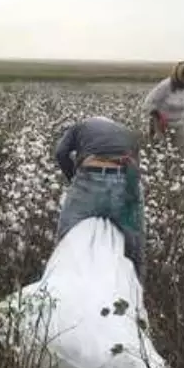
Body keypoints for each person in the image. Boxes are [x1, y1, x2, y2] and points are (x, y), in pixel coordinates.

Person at [54, 116, 145, 278]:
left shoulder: (81, 126)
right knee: (134, 245)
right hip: (123, 181)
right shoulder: (127, 133)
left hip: (90, 178)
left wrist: (73, 178)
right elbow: (135, 169)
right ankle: (137, 288)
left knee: (65, 236)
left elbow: (60, 152)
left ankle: (55, 283)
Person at [143, 60, 184, 150]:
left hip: (180, 123)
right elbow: (149, 103)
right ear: (180, 76)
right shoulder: (165, 86)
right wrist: (158, 119)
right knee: (163, 150)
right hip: (162, 124)